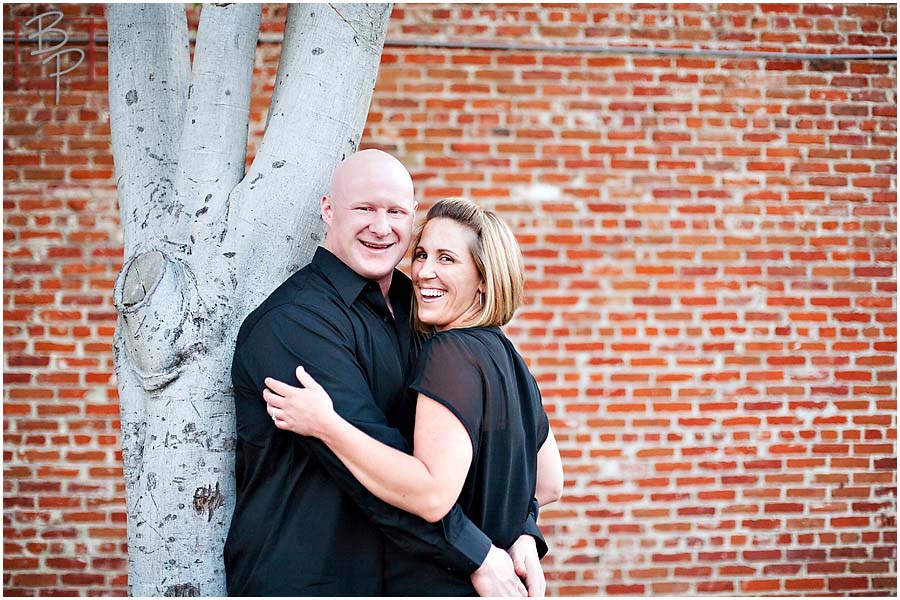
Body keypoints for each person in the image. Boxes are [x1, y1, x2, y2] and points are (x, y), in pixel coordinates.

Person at [224, 151, 546, 596]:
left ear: (412, 216)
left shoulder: (427, 311)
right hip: (312, 577)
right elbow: (372, 465)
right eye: (364, 208)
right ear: (328, 209)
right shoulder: (293, 324)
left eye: (395, 211)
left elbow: (497, 447)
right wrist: (477, 553)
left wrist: (520, 529)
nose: (381, 226)